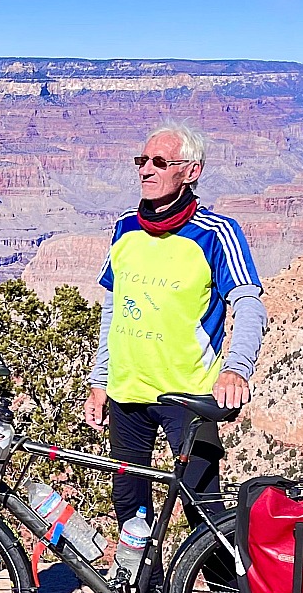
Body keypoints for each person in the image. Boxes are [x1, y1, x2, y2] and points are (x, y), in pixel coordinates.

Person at [82, 122, 267, 563]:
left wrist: (236, 369)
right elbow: (114, 307)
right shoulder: (125, 228)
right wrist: (100, 380)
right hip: (127, 394)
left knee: (204, 511)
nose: (146, 170)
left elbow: (249, 303)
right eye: (142, 160)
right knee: (131, 511)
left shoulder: (216, 233)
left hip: (188, 397)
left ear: (191, 171)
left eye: (160, 162)